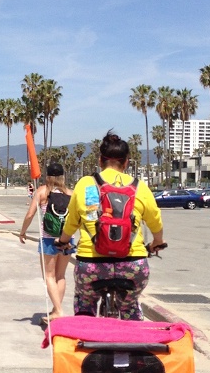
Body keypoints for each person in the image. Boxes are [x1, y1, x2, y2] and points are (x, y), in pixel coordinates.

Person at [54, 132, 165, 321]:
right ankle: (133, 337)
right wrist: (157, 242)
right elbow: (155, 220)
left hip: (92, 265)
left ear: (100, 160)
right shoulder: (140, 187)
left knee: (85, 300)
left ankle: (85, 331)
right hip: (132, 265)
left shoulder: (85, 184)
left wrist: (63, 241)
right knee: (130, 304)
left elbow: (72, 221)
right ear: (126, 162)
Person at [19, 163, 75, 323]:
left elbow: (30, 214)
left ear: (47, 176)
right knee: (61, 276)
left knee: (49, 276)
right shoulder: (70, 193)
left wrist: (23, 231)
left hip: (49, 239)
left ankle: (58, 311)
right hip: (66, 239)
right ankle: (55, 309)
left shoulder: (42, 191)